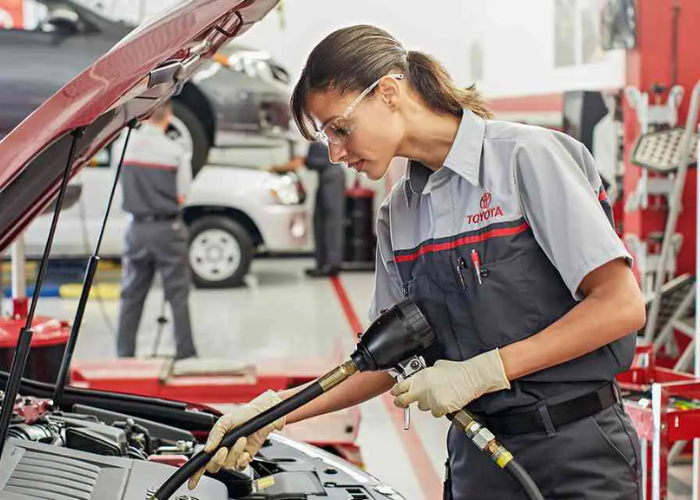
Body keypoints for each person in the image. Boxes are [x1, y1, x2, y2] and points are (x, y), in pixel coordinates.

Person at [188, 25, 645, 499]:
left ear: (388, 91)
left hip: (576, 453)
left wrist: (483, 370)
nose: (337, 152)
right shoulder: (398, 215)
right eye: (328, 138)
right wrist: (275, 411)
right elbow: (385, 362)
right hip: (479, 458)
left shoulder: (525, 159)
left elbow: (620, 306)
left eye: (340, 129)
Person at [115, 100, 198, 361]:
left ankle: (124, 356)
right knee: (178, 294)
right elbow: (183, 195)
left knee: (131, 295)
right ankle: (186, 354)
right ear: (170, 116)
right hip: (168, 230)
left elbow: (117, 184)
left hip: (136, 229)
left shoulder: (122, 147)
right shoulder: (176, 152)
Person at [272, 140, 346, 277]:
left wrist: (273, 168)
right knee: (319, 220)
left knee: (331, 221)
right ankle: (322, 263)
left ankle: (332, 264)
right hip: (326, 176)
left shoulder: (302, 137)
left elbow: (296, 164)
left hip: (332, 175)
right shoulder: (304, 137)